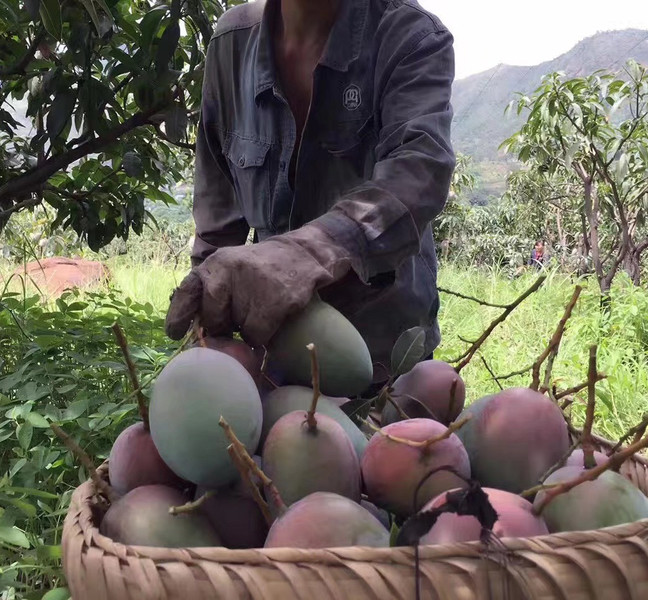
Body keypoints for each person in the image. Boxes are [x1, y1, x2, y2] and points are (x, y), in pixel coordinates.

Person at [165, 0, 456, 386]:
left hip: (387, 358)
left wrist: (307, 253)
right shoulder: (230, 45)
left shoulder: (410, 36)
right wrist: (206, 322)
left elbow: (419, 170)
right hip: (276, 355)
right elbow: (217, 213)